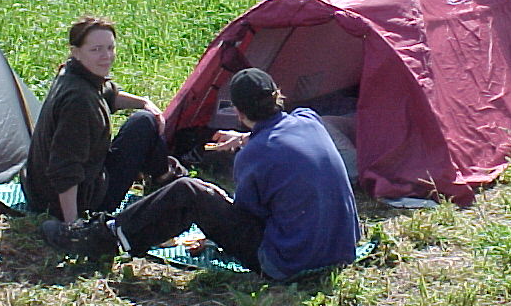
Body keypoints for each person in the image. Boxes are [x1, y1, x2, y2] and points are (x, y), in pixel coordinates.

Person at [40, 68, 361, 281]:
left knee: (189, 192)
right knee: (199, 191)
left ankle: (101, 238)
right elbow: (279, 133)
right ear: (277, 95)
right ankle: (118, 227)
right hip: (341, 248)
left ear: (238, 112)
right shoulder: (308, 119)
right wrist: (246, 138)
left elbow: (249, 215)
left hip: (286, 261)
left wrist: (217, 205)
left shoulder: (254, 156)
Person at [21, 16, 185, 223]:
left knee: (145, 116)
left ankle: (162, 175)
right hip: (76, 201)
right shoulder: (79, 101)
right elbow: (65, 168)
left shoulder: (72, 73)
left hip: (37, 191)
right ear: (76, 52)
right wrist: (73, 222)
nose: (106, 56)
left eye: (110, 48)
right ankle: (164, 177)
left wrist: (144, 102)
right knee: (144, 123)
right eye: (96, 49)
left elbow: (109, 94)